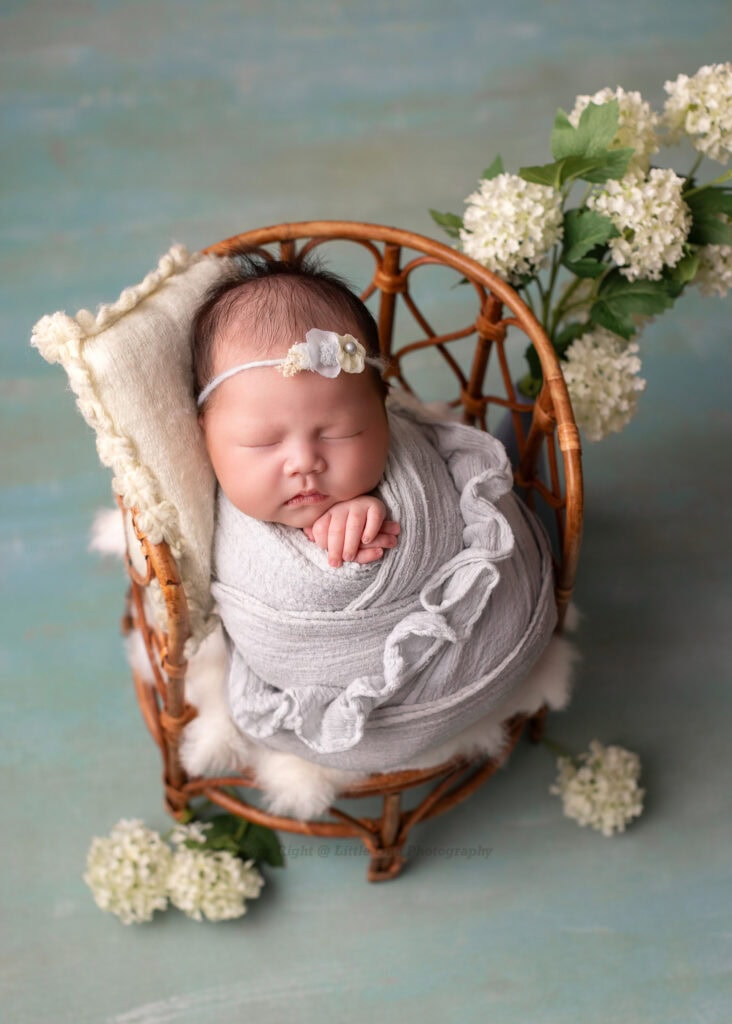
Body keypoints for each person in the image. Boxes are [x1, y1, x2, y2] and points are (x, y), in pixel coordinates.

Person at [190, 252, 568, 815]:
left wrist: (382, 512)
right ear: (206, 435)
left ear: (383, 411)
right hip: (330, 684)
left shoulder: (404, 461)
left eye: (339, 431)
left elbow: (425, 494)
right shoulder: (219, 514)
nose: (303, 463)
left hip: (474, 652)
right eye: (264, 443)